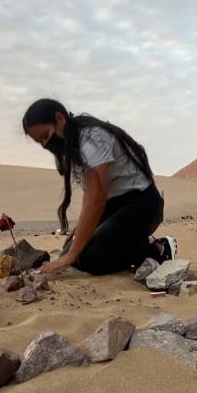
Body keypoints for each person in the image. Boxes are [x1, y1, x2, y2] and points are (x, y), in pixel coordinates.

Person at [22, 98, 176, 275]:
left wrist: (71, 255)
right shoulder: (73, 146)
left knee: (89, 259)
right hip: (114, 207)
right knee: (71, 251)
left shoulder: (93, 139)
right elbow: (89, 196)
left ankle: (158, 249)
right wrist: (78, 233)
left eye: (45, 136)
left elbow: (96, 200)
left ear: (60, 118)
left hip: (142, 204)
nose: (44, 145)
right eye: (39, 142)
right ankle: (130, 241)